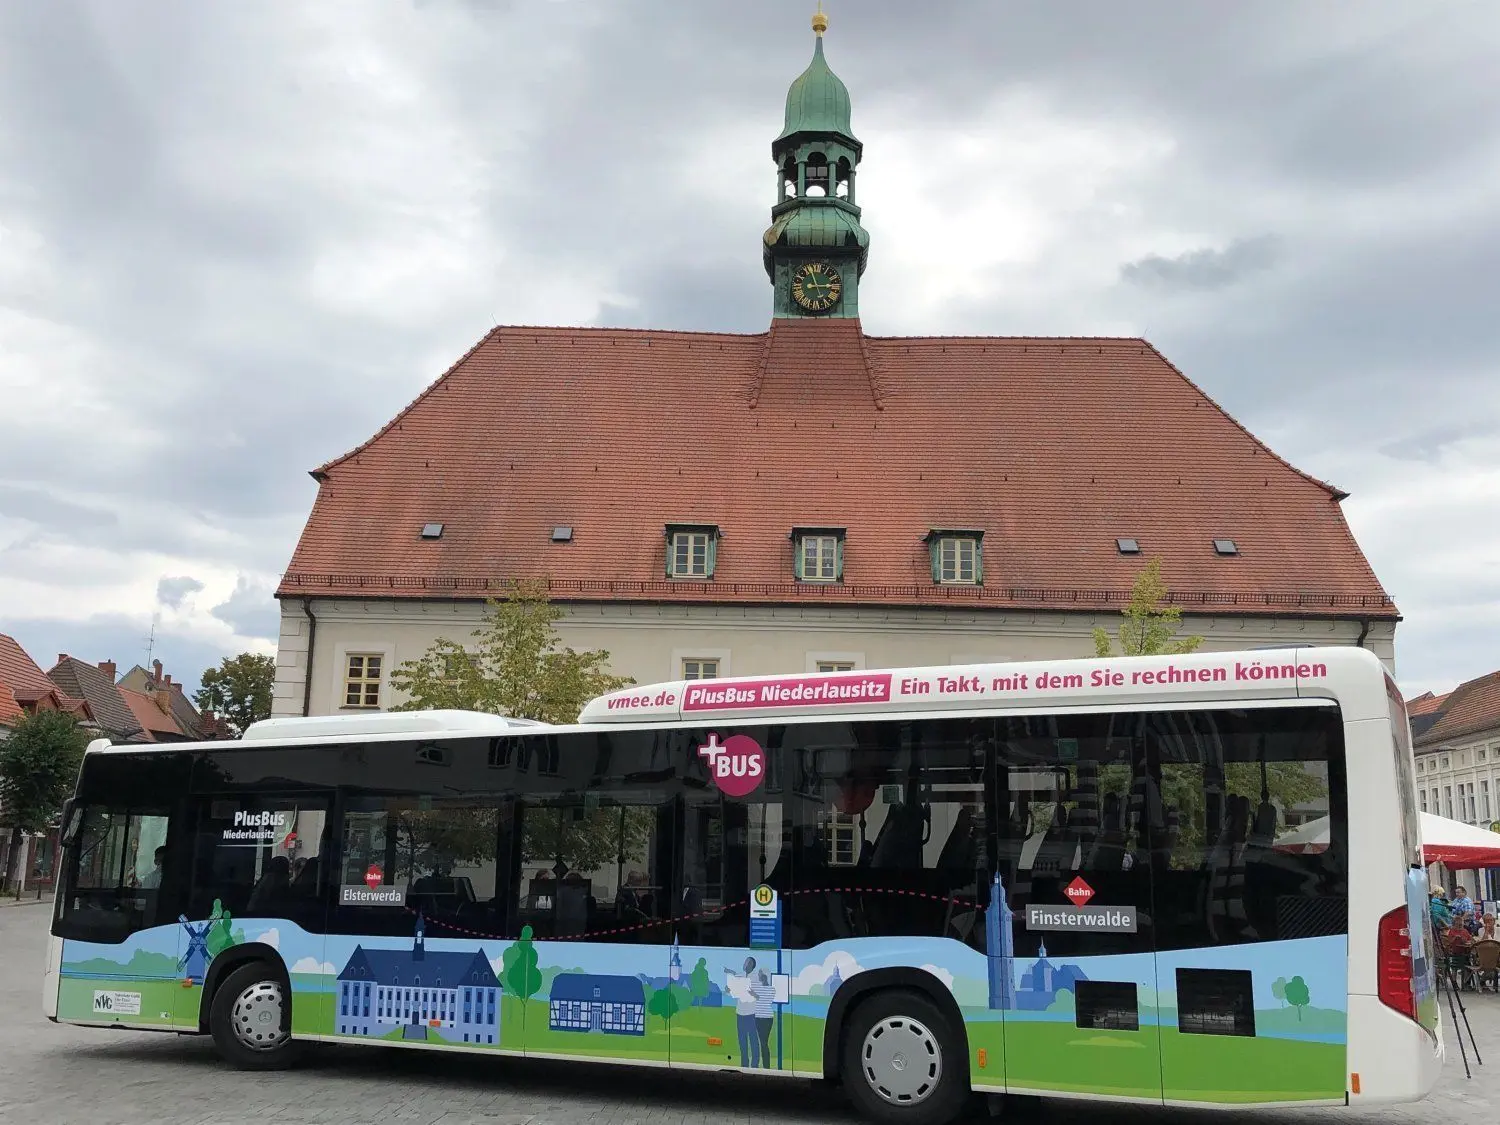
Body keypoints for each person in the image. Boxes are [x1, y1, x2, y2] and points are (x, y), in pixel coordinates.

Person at [724, 957, 760, 1068]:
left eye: (747, 963)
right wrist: (728, 990)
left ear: (752, 966)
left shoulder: (756, 978)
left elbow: (758, 997)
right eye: (745, 962)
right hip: (740, 1013)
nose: (745, 964)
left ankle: (755, 1065)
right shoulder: (739, 976)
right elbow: (732, 992)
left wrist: (753, 993)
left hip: (751, 1014)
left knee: (753, 1041)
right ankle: (744, 1064)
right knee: (742, 1041)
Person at [751, 969, 776, 1067]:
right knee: (763, 1042)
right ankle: (766, 1065)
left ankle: (766, 1065)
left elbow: (764, 999)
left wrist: (755, 995)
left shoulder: (770, 989)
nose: (759, 976)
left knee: (763, 1042)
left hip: (765, 1017)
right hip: (761, 1017)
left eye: (760, 974)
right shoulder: (765, 988)